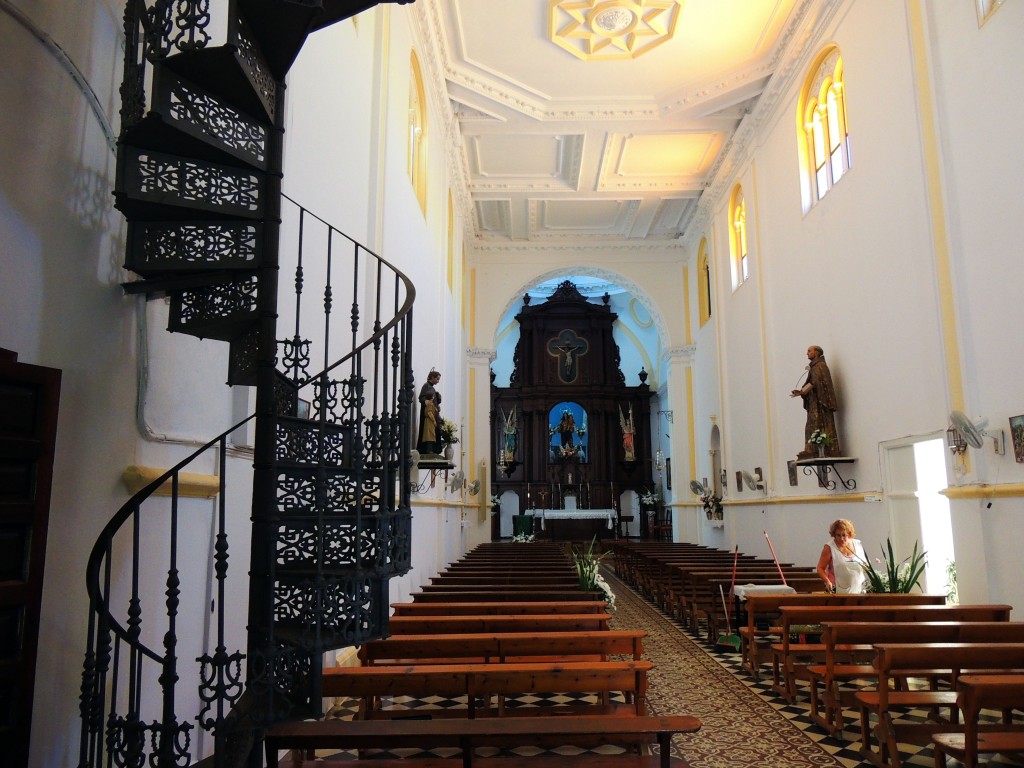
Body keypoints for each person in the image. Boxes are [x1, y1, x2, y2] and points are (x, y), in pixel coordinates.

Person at [790, 345, 839, 459]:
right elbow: (813, 383)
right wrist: (801, 392)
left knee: (816, 424)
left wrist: (802, 391)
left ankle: (819, 448)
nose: (807, 353)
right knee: (812, 424)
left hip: (820, 403)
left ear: (816, 353)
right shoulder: (815, 367)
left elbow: (815, 383)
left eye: (809, 351)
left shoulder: (820, 366)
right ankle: (812, 448)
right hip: (814, 402)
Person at [816, 518, 867, 593]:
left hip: (858, 588)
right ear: (834, 535)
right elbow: (820, 568)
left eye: (844, 535)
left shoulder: (858, 544)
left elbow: (865, 564)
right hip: (837, 589)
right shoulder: (829, 548)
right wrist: (827, 581)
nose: (841, 538)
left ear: (849, 534)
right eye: (838, 535)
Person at [416, 370, 442, 456]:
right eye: (437, 379)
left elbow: (433, 401)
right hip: (428, 415)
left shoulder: (432, 388)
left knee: (433, 433)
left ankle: (434, 449)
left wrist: (437, 406)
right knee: (428, 434)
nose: (438, 381)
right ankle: (427, 450)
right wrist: (426, 401)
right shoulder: (426, 386)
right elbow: (421, 398)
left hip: (433, 414)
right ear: (432, 377)